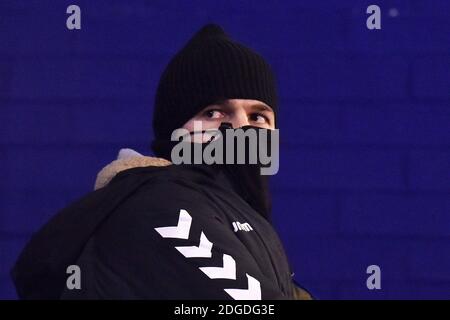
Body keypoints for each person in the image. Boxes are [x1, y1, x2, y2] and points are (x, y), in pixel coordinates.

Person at [12, 24, 311, 300]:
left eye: (258, 117)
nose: (240, 129)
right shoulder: (161, 209)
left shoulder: (233, 214)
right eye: (214, 113)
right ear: (174, 131)